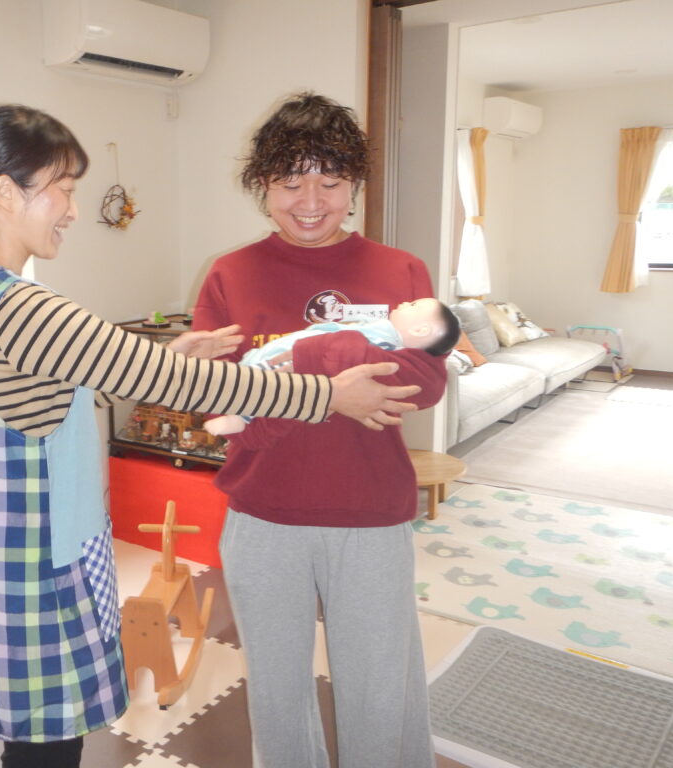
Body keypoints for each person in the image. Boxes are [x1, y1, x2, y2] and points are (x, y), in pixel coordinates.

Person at [0, 104, 423, 768]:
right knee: (46, 748)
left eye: (329, 182)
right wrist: (330, 395)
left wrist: (163, 359)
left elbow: (44, 390)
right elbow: (198, 388)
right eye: (64, 188)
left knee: (32, 743)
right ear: (9, 192)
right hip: (35, 563)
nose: (73, 209)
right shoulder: (27, 306)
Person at [192, 92, 450, 768]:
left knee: (379, 693)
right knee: (276, 694)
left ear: (354, 184)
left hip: (369, 511)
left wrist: (297, 381)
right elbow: (215, 397)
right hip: (263, 514)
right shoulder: (230, 273)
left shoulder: (400, 269)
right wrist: (332, 394)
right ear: (262, 184)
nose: (310, 201)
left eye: (330, 182)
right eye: (289, 182)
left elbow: (425, 381)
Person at [204, 298, 460, 436]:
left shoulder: (389, 342)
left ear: (420, 330)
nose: (404, 303)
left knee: (271, 381)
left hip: (355, 476)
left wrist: (316, 353)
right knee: (259, 374)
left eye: (413, 305)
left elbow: (425, 385)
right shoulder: (228, 270)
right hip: (258, 476)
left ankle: (241, 417)